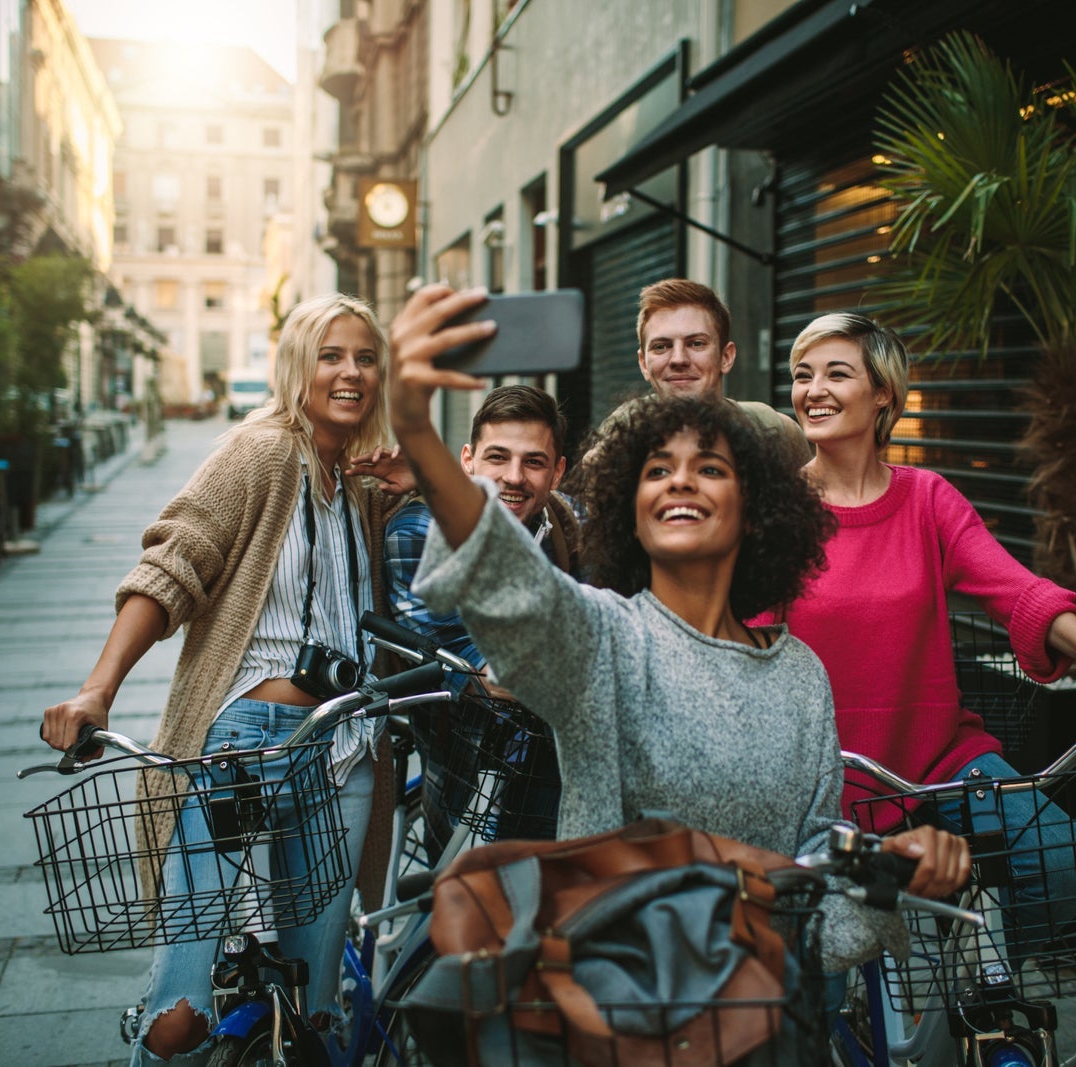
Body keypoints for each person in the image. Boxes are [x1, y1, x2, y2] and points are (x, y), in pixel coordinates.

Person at [384, 283, 970, 974]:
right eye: (657, 470)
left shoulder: (799, 675)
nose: (680, 481)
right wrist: (416, 427)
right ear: (628, 513)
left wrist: (890, 872)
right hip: (621, 1003)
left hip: (758, 1011)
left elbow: (814, 868)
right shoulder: (603, 641)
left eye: (710, 468)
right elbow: (508, 578)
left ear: (755, 509)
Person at [39, 294, 410, 1066]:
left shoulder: (360, 481)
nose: (350, 372)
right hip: (243, 748)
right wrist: (99, 688)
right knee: (180, 1016)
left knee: (313, 1011)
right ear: (297, 364)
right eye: (331, 355)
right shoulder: (262, 453)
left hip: (344, 752)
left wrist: (414, 481)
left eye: (365, 358)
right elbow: (173, 563)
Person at [762, 310, 1076, 935]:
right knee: (831, 949)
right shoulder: (777, 512)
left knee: (1063, 862)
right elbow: (749, 646)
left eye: (836, 374)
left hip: (941, 759)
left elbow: (1016, 590)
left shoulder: (927, 498)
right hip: (820, 775)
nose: (813, 390)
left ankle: (979, 970)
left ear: (883, 393)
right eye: (803, 375)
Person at [384, 384, 577, 850]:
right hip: (472, 782)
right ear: (468, 460)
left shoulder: (562, 526)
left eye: (533, 462)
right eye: (498, 457)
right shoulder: (420, 532)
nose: (514, 477)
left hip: (560, 781)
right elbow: (490, 672)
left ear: (557, 471)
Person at [593, 279, 812, 468]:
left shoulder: (771, 431)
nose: (678, 359)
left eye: (696, 343)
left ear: (726, 357)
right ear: (643, 363)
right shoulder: (623, 432)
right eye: (661, 347)